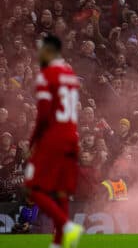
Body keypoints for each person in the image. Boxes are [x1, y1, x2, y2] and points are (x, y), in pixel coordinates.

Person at [23, 35, 84, 248]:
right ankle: (59, 242)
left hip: (54, 137)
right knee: (61, 190)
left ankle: (66, 226)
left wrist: (33, 143)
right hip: (71, 136)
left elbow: (43, 115)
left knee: (34, 188)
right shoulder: (70, 75)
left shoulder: (47, 75)